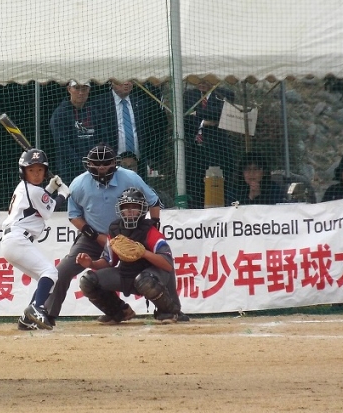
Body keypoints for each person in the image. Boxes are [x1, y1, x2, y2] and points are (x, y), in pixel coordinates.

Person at [39, 143, 161, 326]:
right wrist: (98, 237)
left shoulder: (130, 178)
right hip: (94, 238)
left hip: (131, 236)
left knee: (157, 266)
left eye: (106, 163)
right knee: (63, 271)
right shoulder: (79, 184)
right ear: (88, 164)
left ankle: (170, 309)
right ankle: (49, 315)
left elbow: (153, 201)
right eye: (96, 163)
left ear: (115, 162)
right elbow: (74, 216)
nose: (101, 167)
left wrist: (154, 227)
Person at [76, 188, 189, 323]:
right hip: (126, 274)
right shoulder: (115, 229)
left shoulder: (149, 230)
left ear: (142, 209)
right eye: (125, 207)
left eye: (134, 207)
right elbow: (108, 261)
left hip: (152, 274)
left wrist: (143, 253)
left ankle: (169, 311)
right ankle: (119, 312)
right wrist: (91, 263)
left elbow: (167, 264)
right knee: (87, 281)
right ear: (120, 209)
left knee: (145, 280)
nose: (129, 211)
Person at [1, 148, 70, 331]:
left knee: (45, 277)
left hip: (12, 241)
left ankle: (27, 319)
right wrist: (63, 193)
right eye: (31, 170)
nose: (36, 174)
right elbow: (50, 208)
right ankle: (37, 308)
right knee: (50, 272)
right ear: (23, 171)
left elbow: (40, 201)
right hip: (17, 239)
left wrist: (51, 188)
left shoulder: (25, 188)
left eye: (40, 170)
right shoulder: (34, 191)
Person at [93, 80, 169, 177]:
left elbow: (150, 130)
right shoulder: (100, 103)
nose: (126, 83)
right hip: (110, 163)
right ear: (112, 81)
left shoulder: (141, 102)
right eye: (122, 80)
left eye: (129, 80)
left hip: (138, 163)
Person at [183, 80, 236, 209]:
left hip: (217, 151)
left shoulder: (224, 94)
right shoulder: (189, 95)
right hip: (195, 151)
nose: (201, 83)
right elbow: (185, 118)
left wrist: (197, 113)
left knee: (218, 188)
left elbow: (220, 113)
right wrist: (204, 122)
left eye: (205, 80)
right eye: (199, 80)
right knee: (195, 188)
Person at [49, 81, 104, 184]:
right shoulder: (60, 114)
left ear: (89, 90)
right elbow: (62, 144)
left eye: (84, 89)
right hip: (69, 172)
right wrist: (82, 164)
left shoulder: (94, 112)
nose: (81, 92)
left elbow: (102, 138)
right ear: (69, 89)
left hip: (95, 170)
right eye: (77, 88)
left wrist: (97, 161)